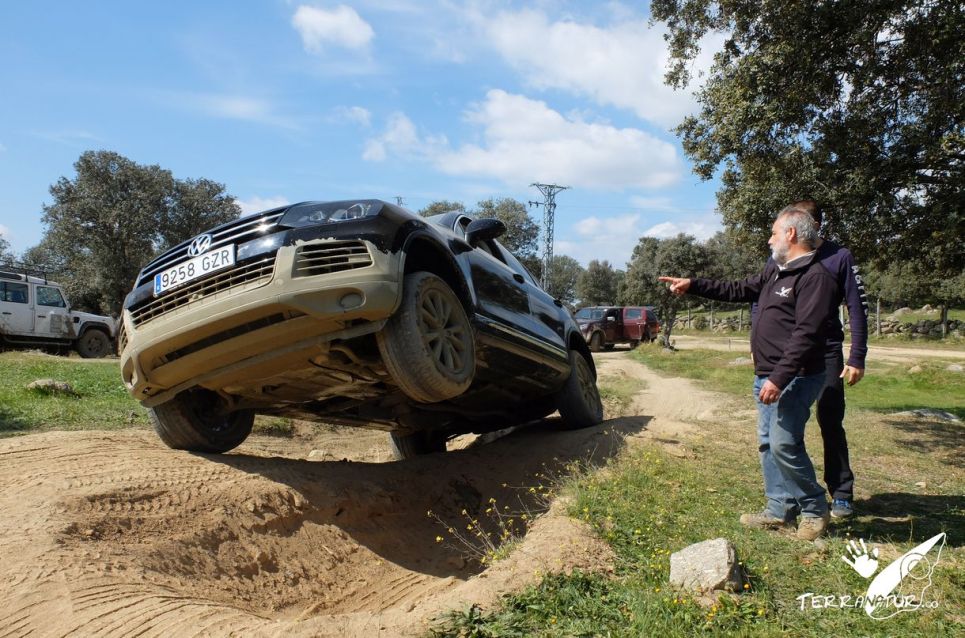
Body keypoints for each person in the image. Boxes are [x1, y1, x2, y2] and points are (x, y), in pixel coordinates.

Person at [659, 206, 839, 541]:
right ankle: (778, 510)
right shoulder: (776, 269)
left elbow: (806, 335)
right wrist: (693, 285)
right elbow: (740, 289)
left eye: (773, 232)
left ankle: (814, 510)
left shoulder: (816, 277)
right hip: (769, 374)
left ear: (791, 234)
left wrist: (778, 378)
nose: (769, 238)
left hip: (796, 376)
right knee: (768, 443)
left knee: (785, 444)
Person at [759, 200, 868, 518]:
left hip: (826, 351)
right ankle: (785, 501)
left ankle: (842, 491)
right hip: (785, 353)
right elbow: (761, 294)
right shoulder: (780, 255)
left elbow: (856, 307)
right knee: (780, 430)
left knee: (830, 418)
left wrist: (857, 355)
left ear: (814, 226)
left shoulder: (839, 257)